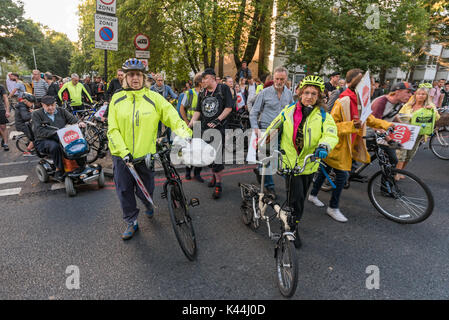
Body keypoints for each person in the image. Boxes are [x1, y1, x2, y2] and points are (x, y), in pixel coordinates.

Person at [107, 58, 192, 240]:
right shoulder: (117, 98)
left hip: (146, 155)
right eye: (131, 75)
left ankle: (147, 203)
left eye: (138, 74)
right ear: (125, 78)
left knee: (147, 187)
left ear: (144, 77)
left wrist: (185, 133)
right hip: (122, 156)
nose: (135, 78)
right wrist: (123, 152)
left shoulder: (154, 98)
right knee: (124, 190)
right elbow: (112, 129)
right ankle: (131, 221)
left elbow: (172, 116)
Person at [308, 69, 394, 223]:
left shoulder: (361, 100)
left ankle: (313, 195)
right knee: (342, 176)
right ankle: (333, 207)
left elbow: (369, 118)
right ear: (356, 83)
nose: (371, 85)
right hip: (338, 147)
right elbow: (331, 126)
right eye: (367, 82)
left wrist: (387, 125)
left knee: (325, 170)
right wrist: (351, 125)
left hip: (350, 145)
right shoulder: (344, 101)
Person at [263, 75, 339, 248]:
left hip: (309, 163)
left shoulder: (323, 115)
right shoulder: (289, 110)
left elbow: (330, 133)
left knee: (300, 197)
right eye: (306, 92)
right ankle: (291, 229)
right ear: (300, 93)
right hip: (289, 163)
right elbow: (274, 125)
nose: (309, 96)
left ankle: (290, 222)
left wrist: (324, 146)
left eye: (314, 93)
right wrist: (266, 138)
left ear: (319, 96)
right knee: (295, 199)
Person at [188, 68, 234, 199]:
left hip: (218, 129)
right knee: (207, 156)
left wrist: (217, 120)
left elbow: (229, 107)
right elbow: (198, 111)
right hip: (204, 129)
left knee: (217, 158)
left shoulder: (223, 89)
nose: (203, 81)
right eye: (202, 79)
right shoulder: (202, 92)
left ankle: (218, 184)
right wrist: (191, 123)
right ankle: (214, 176)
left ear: (213, 78)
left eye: (205, 78)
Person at [250, 66, 294, 198]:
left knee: (283, 158)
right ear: (273, 78)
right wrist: (256, 129)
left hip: (282, 130)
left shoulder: (289, 94)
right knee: (267, 160)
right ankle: (270, 188)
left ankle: (260, 170)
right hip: (266, 128)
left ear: (286, 79)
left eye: (282, 79)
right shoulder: (265, 92)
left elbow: (291, 112)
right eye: (276, 78)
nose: (279, 81)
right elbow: (254, 112)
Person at [32, 95, 86, 181]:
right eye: (47, 106)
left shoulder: (61, 111)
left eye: (52, 105)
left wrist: (79, 123)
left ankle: (81, 165)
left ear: (55, 104)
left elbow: (73, 119)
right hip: (43, 140)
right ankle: (59, 169)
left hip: (61, 137)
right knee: (55, 146)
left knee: (78, 142)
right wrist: (55, 133)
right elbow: (38, 131)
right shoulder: (36, 114)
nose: (50, 107)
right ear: (42, 105)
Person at [395, 87, 439, 178]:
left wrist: (432, 111)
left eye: (423, 94)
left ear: (426, 96)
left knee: (410, 154)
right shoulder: (408, 105)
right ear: (415, 95)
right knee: (401, 154)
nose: (421, 96)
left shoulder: (430, 106)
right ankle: (396, 173)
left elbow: (437, 117)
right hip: (406, 132)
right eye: (419, 94)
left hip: (418, 134)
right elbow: (399, 115)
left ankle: (401, 171)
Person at [180, 73, 204, 182]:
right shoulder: (189, 93)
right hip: (191, 125)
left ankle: (197, 173)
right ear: (200, 82)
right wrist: (187, 122)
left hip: (202, 126)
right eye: (204, 79)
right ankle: (188, 171)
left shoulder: (206, 93)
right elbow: (182, 108)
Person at [0, 83, 11, 151]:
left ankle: (6, 143)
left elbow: (6, 99)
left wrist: (7, 110)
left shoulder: (1, 87)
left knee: (3, 126)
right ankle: (4, 138)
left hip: (0, 109)